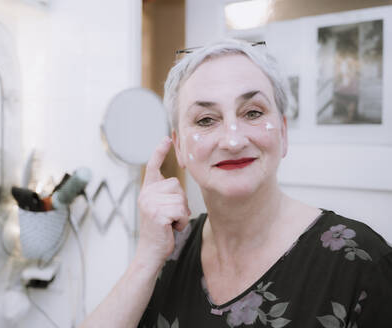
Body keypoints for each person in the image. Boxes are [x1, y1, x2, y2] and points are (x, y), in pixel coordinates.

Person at [80, 39, 392, 327]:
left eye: (253, 113)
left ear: (283, 133)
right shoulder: (167, 253)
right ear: (179, 147)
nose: (232, 140)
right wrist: (145, 259)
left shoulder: (362, 263)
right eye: (205, 120)